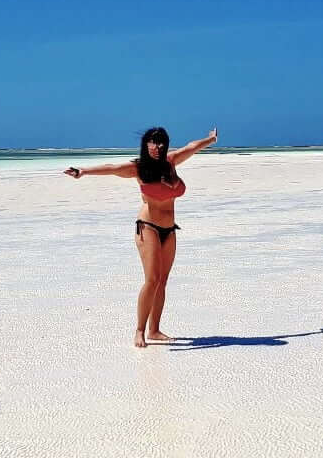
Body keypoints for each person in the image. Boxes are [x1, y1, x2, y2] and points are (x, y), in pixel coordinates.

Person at [64, 126, 218, 347]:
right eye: (153, 142)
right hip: (148, 227)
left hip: (170, 229)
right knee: (152, 279)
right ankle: (139, 331)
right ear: (145, 144)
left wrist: (210, 140)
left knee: (162, 281)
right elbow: (112, 168)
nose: (158, 146)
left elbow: (191, 147)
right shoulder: (138, 168)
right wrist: (83, 171)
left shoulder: (171, 162)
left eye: (161, 142)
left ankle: (155, 330)